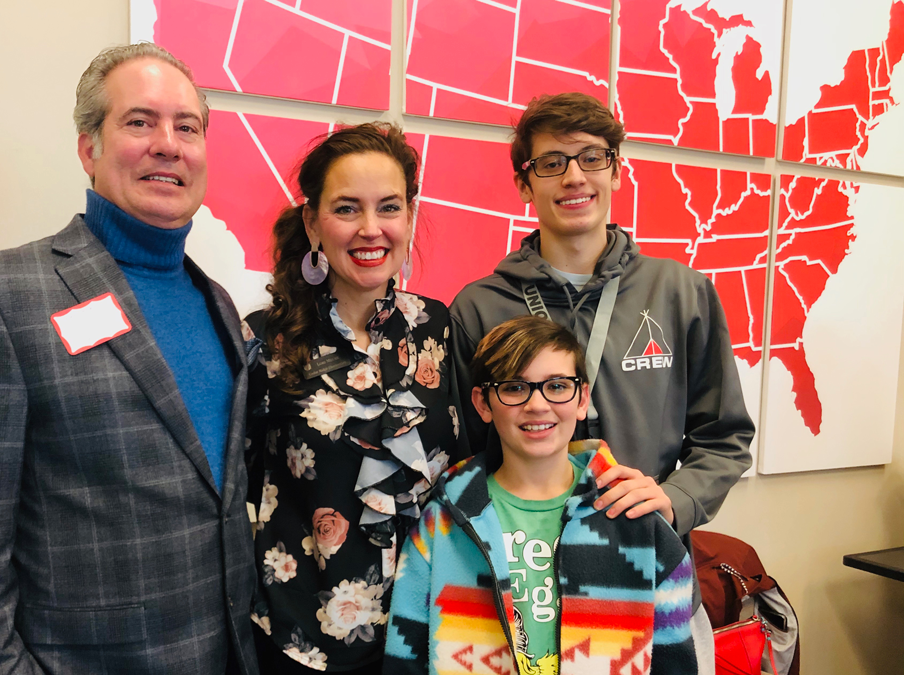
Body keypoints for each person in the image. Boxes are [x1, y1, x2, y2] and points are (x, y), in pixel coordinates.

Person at [0, 44, 257, 674]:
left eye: (187, 127)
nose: (168, 143)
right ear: (88, 149)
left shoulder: (221, 307)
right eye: (139, 121)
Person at [448, 93, 753, 641]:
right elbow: (471, 452)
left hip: (648, 569)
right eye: (551, 163)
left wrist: (677, 498)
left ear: (616, 171)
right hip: (522, 581)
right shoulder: (479, 306)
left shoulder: (681, 292)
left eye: (592, 157)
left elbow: (725, 436)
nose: (573, 177)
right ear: (525, 184)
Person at [241, 123, 461, 673]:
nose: (371, 229)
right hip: (301, 641)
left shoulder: (438, 326)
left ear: (409, 216)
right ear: (313, 222)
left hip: (429, 633)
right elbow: (230, 488)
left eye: (388, 207)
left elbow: (477, 464)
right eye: (347, 209)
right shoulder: (263, 340)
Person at [384, 315, 699, 675]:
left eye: (557, 386)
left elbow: (675, 661)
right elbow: (403, 656)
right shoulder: (443, 521)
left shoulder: (635, 518)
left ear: (582, 398)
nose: (537, 405)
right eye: (515, 387)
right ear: (484, 403)